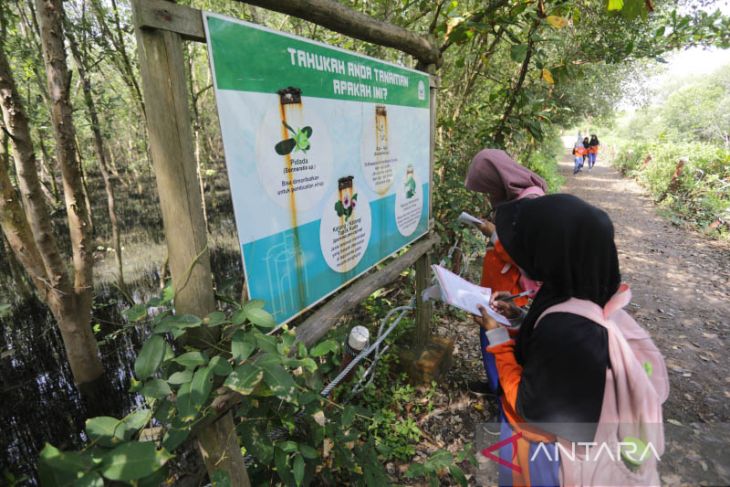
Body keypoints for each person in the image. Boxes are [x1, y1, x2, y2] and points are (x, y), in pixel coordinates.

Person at [474, 194, 668, 487]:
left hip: (549, 460)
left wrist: (497, 336)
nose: (522, 253)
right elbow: (551, 345)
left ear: (552, 252)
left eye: (530, 245)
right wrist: (520, 317)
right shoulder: (582, 290)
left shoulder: (570, 331)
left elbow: (529, 409)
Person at [463, 149, 546, 395]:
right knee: (490, 334)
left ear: (498, 180)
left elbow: (527, 254)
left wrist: (493, 232)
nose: (489, 197)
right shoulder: (518, 197)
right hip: (500, 287)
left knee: (501, 339)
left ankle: (504, 392)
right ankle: (495, 385)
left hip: (513, 293)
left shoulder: (529, 203)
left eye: (489, 190)